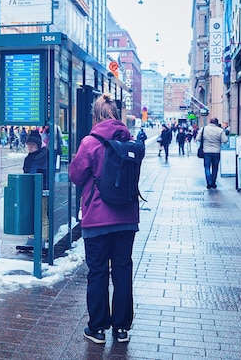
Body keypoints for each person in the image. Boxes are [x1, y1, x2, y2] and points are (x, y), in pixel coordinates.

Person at [69, 93, 139, 345]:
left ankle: (97, 328)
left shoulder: (90, 142)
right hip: (127, 218)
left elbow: (76, 176)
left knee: (97, 272)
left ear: (96, 115)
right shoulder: (128, 139)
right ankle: (121, 329)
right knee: (122, 270)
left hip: (97, 218)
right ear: (116, 115)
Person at [197, 117, 228, 189]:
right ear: (216, 123)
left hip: (206, 151)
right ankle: (213, 182)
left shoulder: (204, 129)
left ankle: (208, 182)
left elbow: (198, 138)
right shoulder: (220, 130)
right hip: (216, 152)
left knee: (207, 167)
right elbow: (225, 140)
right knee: (215, 167)